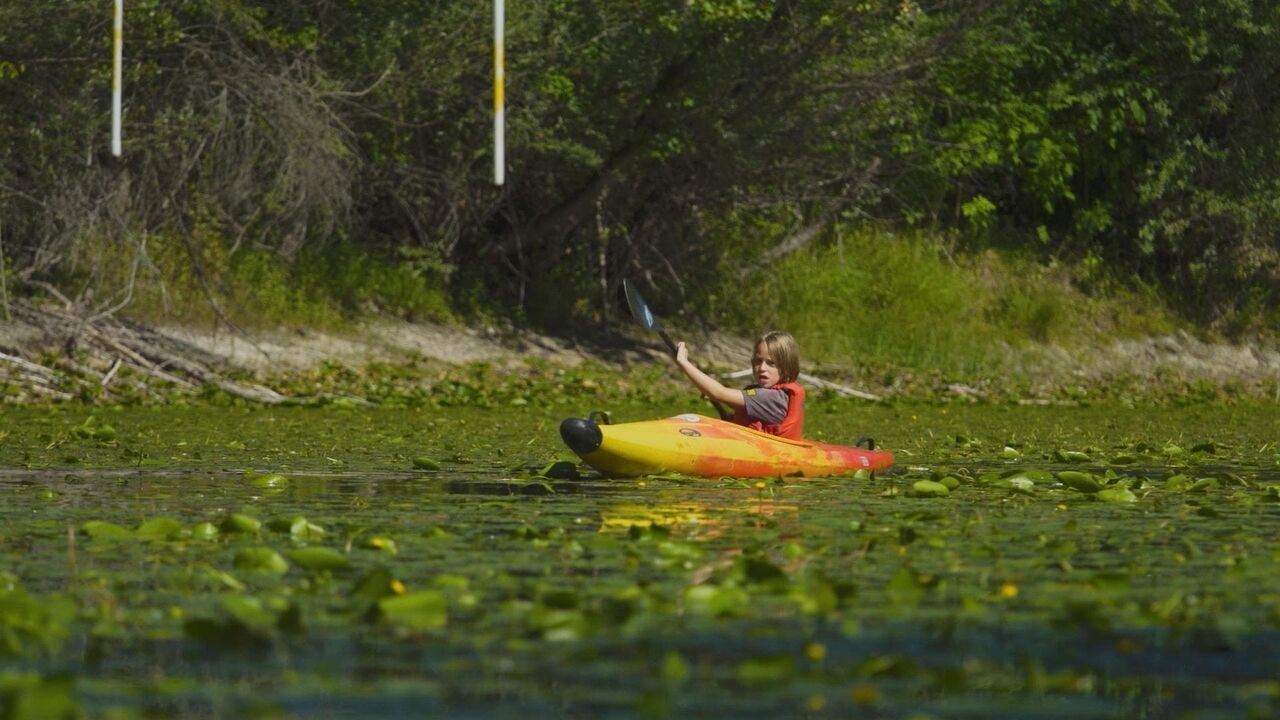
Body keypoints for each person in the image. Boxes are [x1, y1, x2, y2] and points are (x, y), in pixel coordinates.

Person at [673, 331, 805, 440]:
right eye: (758, 361)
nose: (762, 368)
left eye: (771, 363)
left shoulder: (772, 397)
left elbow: (719, 393)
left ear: (787, 367)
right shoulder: (766, 394)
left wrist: (683, 363)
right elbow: (724, 397)